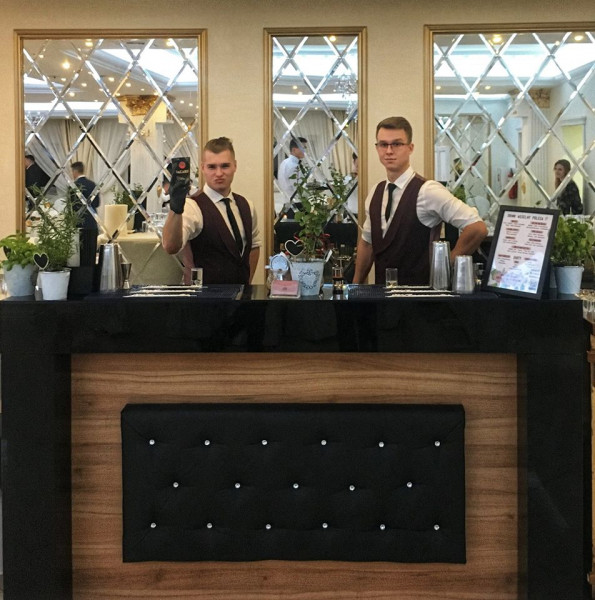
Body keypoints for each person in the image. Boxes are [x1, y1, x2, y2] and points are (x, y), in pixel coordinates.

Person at [353, 116, 487, 286]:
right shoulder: (375, 192)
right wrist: (355, 287)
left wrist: (446, 268)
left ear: (410, 148)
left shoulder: (428, 191)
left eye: (396, 144)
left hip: (420, 296)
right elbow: (367, 244)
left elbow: (477, 228)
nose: (389, 151)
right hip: (381, 296)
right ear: (377, 148)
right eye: (383, 144)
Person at [162, 137, 261, 285]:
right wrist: (176, 208)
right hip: (203, 297)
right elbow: (170, 247)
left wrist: (247, 285)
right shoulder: (191, 206)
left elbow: (254, 246)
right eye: (212, 167)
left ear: (235, 166)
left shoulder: (247, 205)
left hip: (242, 296)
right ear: (203, 168)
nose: (219, 173)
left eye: (225, 166)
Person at [71, 161, 100, 265]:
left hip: (79, 222)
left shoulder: (74, 186)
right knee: (91, 253)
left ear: (74, 171)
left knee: (80, 255)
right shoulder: (92, 184)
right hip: (92, 222)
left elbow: (72, 206)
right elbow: (97, 203)